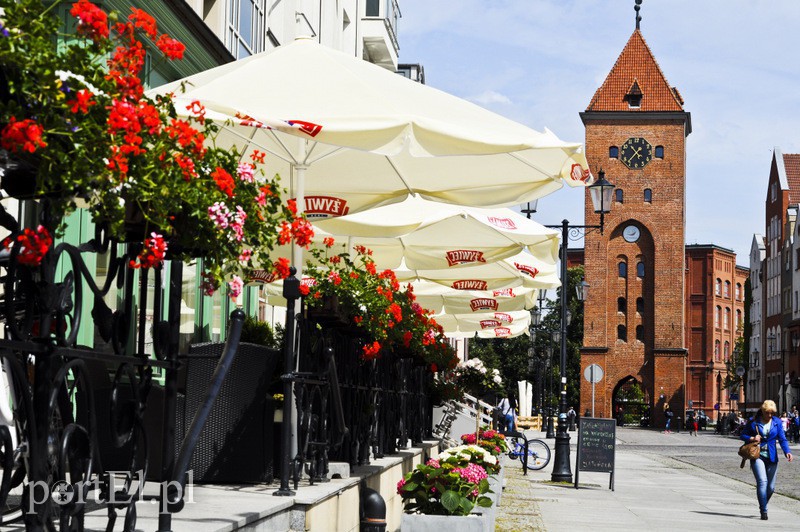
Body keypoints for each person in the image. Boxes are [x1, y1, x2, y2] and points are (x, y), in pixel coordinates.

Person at [740, 399, 793, 521]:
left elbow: (782, 439)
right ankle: (764, 510)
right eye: (767, 413)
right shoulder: (754, 422)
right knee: (762, 482)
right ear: (762, 411)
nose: (769, 416)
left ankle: (763, 502)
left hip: (772, 457)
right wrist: (752, 437)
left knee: (771, 487)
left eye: (772, 413)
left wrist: (787, 452)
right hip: (757, 456)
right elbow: (743, 435)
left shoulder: (777, 422)